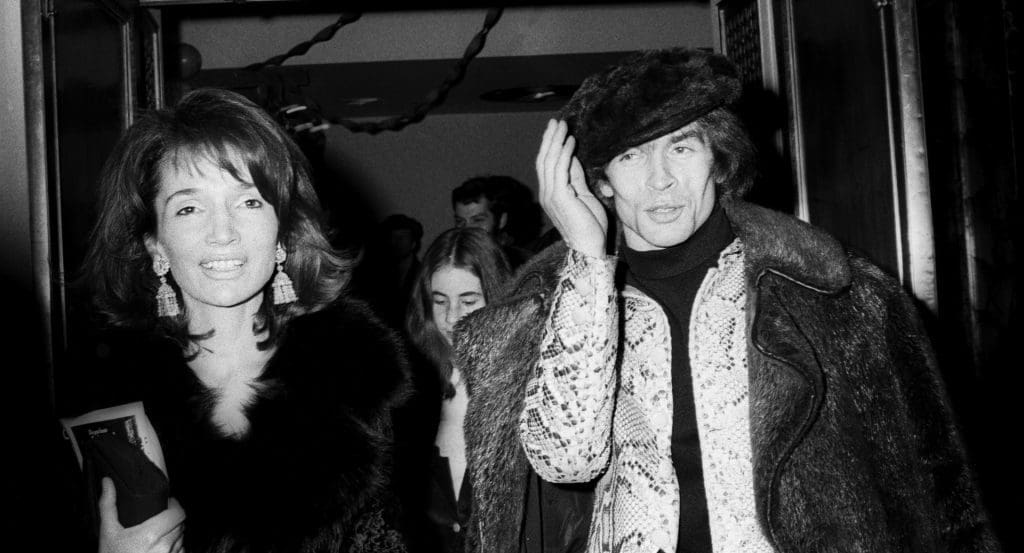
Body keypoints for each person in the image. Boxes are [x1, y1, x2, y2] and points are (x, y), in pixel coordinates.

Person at [454, 48, 1001, 552]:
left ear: (717, 159)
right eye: (631, 156)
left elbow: (935, 486)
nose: (660, 180)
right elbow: (567, 461)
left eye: (681, 147)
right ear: (600, 182)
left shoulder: (832, 293)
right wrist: (587, 261)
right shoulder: (557, 304)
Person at [61, 88, 409, 553]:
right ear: (155, 243)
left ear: (283, 231)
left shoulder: (357, 377)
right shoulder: (101, 400)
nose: (222, 233)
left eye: (249, 203)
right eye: (189, 208)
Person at [393, 227, 511, 553]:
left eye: (468, 301)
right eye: (440, 301)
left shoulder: (523, 380)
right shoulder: (411, 381)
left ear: (497, 298)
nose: (452, 317)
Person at [452, 176, 535, 268]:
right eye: (460, 221)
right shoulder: (450, 257)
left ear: (501, 220)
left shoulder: (524, 265)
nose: (467, 229)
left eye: (478, 220)